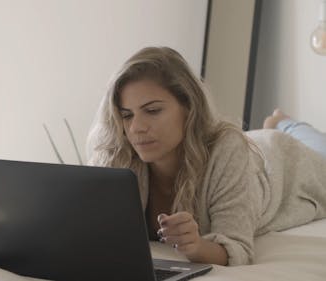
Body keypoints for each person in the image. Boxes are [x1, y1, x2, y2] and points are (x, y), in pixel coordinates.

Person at [86, 46, 326, 266]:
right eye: (127, 115)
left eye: (152, 111)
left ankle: (283, 122)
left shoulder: (228, 149)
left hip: (284, 162)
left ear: (189, 108)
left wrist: (196, 246)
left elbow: (237, 247)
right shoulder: (120, 155)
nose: (136, 127)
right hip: (255, 149)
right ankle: (276, 123)